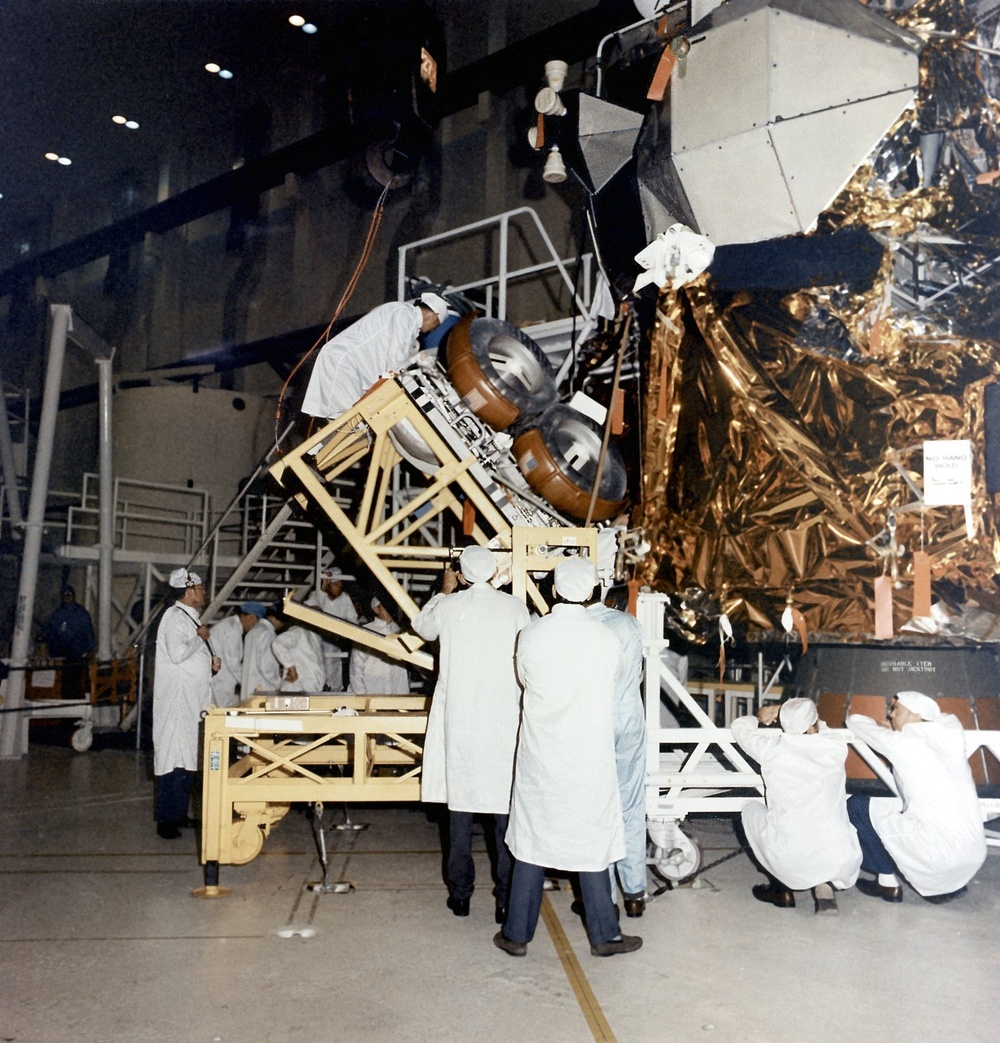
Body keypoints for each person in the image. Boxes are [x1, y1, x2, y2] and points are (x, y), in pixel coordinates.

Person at [497, 556, 641, 959]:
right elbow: (614, 678)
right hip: (588, 758)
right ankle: (605, 936)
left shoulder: (531, 635)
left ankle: (516, 935)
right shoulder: (606, 639)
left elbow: (523, 679)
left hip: (543, 755)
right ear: (593, 591)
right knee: (591, 842)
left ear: (555, 591)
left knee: (531, 842)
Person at [412, 546, 530, 922]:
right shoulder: (513, 608)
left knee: (458, 815)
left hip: (460, 724)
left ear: (460, 574)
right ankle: (505, 899)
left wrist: (445, 590)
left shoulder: (448, 607)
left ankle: (460, 896)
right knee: (502, 816)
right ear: (495, 571)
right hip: (502, 723)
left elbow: (421, 626)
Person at [847, 690, 987, 903]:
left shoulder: (900, 744)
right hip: (974, 853)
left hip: (936, 856)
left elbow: (854, 721)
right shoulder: (952, 735)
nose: (890, 715)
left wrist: (885, 727)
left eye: (897, 710)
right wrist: (910, 722)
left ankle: (886, 883)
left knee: (856, 805)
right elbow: (946, 717)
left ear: (916, 716)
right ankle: (950, 886)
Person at [730, 698, 862, 915]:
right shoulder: (835, 747)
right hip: (838, 857)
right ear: (814, 723)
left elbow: (739, 727)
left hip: (790, 858)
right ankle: (824, 886)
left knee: (749, 809)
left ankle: (780, 888)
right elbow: (825, 729)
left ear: (782, 725)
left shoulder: (771, 749)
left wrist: (760, 716)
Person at [587, 584, 648, 917]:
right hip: (629, 721)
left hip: (595, 725)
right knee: (631, 806)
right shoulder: (627, 623)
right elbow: (637, 673)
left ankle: (605, 895)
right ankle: (635, 893)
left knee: (599, 809)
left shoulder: (582, 628)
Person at [301, 292, 449, 421]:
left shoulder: (406, 317)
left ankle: (316, 450)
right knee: (346, 425)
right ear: (433, 314)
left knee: (347, 425)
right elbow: (395, 356)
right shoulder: (404, 314)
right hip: (345, 366)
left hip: (353, 370)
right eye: (436, 325)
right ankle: (313, 452)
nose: (433, 329)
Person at [153, 568, 220, 840]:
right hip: (177, 703)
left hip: (191, 701)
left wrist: (211, 664)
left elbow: (190, 656)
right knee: (173, 758)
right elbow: (179, 652)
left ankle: (179, 813)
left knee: (186, 758)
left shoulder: (188, 618)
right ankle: (166, 821)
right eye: (201, 588)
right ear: (189, 591)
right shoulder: (173, 618)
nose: (204, 592)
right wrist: (200, 639)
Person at [305, 566, 360, 691]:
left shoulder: (344, 598)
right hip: (316, 641)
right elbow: (313, 610)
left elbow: (353, 619)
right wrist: (323, 590)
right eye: (331, 584)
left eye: (336, 583)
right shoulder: (317, 595)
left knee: (334, 675)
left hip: (335, 641)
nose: (334, 586)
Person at [208, 601, 265, 708]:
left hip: (222, 679)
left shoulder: (232, 626)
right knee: (221, 714)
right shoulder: (231, 630)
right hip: (221, 681)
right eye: (256, 623)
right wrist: (249, 683)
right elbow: (233, 663)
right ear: (252, 617)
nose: (254, 627)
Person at [350, 597, 410, 694]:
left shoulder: (401, 631)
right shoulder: (365, 631)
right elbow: (356, 667)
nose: (390, 610)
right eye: (385, 606)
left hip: (396, 692)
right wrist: (361, 695)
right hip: (372, 690)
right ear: (375, 609)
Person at [46, 585, 96, 700]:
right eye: (65, 595)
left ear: (73, 596)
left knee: (76, 682)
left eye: (69, 595)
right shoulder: (58, 614)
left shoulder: (81, 613)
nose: (67, 598)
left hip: (77, 655)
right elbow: (52, 633)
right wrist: (52, 651)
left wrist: (90, 649)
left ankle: (76, 703)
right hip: (62, 655)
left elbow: (88, 631)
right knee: (62, 683)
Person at [272, 621, 326, 693]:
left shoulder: (315, 636)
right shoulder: (298, 631)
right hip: (296, 687)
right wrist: (291, 667)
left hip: (311, 689)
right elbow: (278, 644)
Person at [241, 603, 282, 696]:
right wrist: (279, 683)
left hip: (251, 688)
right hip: (263, 688)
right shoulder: (267, 633)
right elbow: (266, 666)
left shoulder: (254, 631)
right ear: (278, 620)